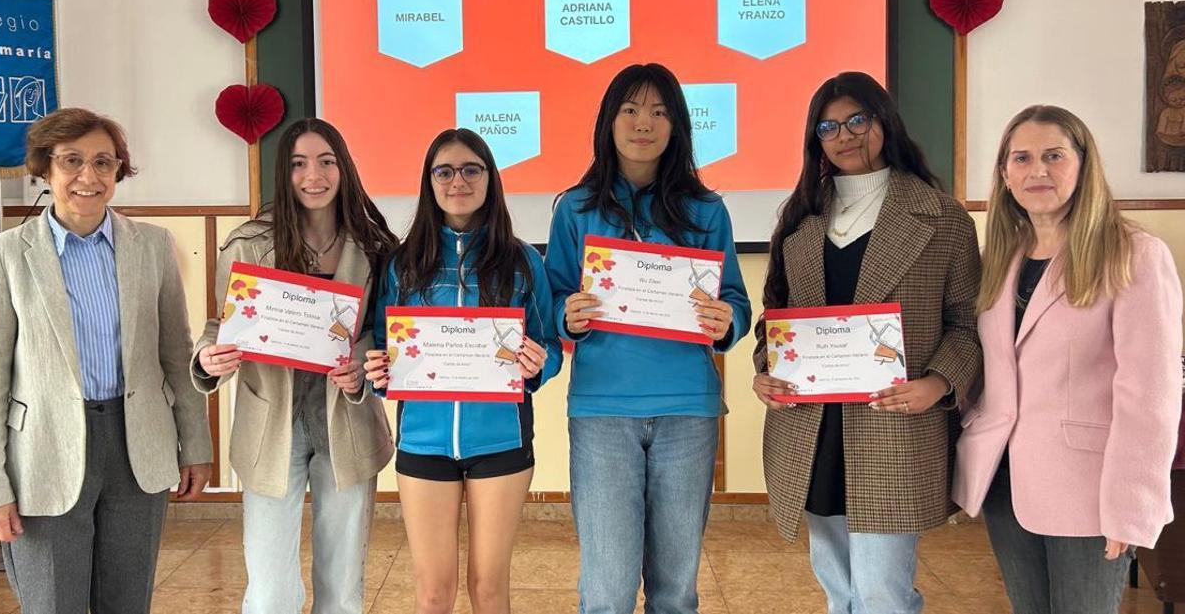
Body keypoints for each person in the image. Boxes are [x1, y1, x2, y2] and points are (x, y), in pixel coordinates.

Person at [751, 72, 981, 614]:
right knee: (838, 587)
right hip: (811, 426)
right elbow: (774, 318)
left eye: (858, 119)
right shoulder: (801, 218)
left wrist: (939, 383)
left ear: (883, 121)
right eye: (828, 127)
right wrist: (766, 367)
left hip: (895, 426)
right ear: (817, 140)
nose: (844, 135)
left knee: (882, 594)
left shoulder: (942, 218)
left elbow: (968, 324)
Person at [953, 105, 1183, 614]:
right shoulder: (1000, 258)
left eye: (1054, 156)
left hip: (1090, 490)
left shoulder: (1134, 254)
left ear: (1083, 165)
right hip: (1004, 481)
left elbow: (1151, 394)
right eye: (1022, 158)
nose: (1037, 171)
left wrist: (1131, 505)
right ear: (1004, 174)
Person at [0, 107, 212, 613]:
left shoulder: (152, 247)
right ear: (45, 169)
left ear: (117, 172)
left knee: (127, 604)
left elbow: (176, 353)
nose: (88, 177)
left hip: (138, 450)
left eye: (103, 163)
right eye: (71, 161)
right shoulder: (2, 256)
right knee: (53, 605)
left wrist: (195, 443)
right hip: (43, 454)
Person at [544, 63, 751, 614]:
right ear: (609, 122)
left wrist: (727, 320)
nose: (644, 123)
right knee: (606, 591)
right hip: (603, 412)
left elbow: (735, 299)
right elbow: (553, 304)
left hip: (688, 411)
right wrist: (568, 315)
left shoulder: (707, 209)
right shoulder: (575, 208)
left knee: (675, 591)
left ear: (677, 126)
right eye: (631, 110)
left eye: (660, 112)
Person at [192, 118, 397, 614]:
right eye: (299, 164)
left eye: (326, 162)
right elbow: (223, 324)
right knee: (268, 592)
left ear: (343, 168)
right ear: (283, 173)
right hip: (271, 424)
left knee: (343, 584)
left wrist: (359, 365)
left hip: (345, 421)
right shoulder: (247, 243)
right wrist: (206, 358)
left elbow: (381, 333)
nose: (314, 176)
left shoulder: (374, 247)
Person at [364, 128, 561, 614]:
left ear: (490, 179)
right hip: (423, 442)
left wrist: (540, 364)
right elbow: (383, 346)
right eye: (444, 171)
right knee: (433, 592)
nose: (458, 180)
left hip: (501, 443)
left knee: (489, 588)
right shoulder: (401, 264)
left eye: (472, 169)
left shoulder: (522, 261)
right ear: (429, 182)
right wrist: (378, 369)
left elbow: (549, 345)